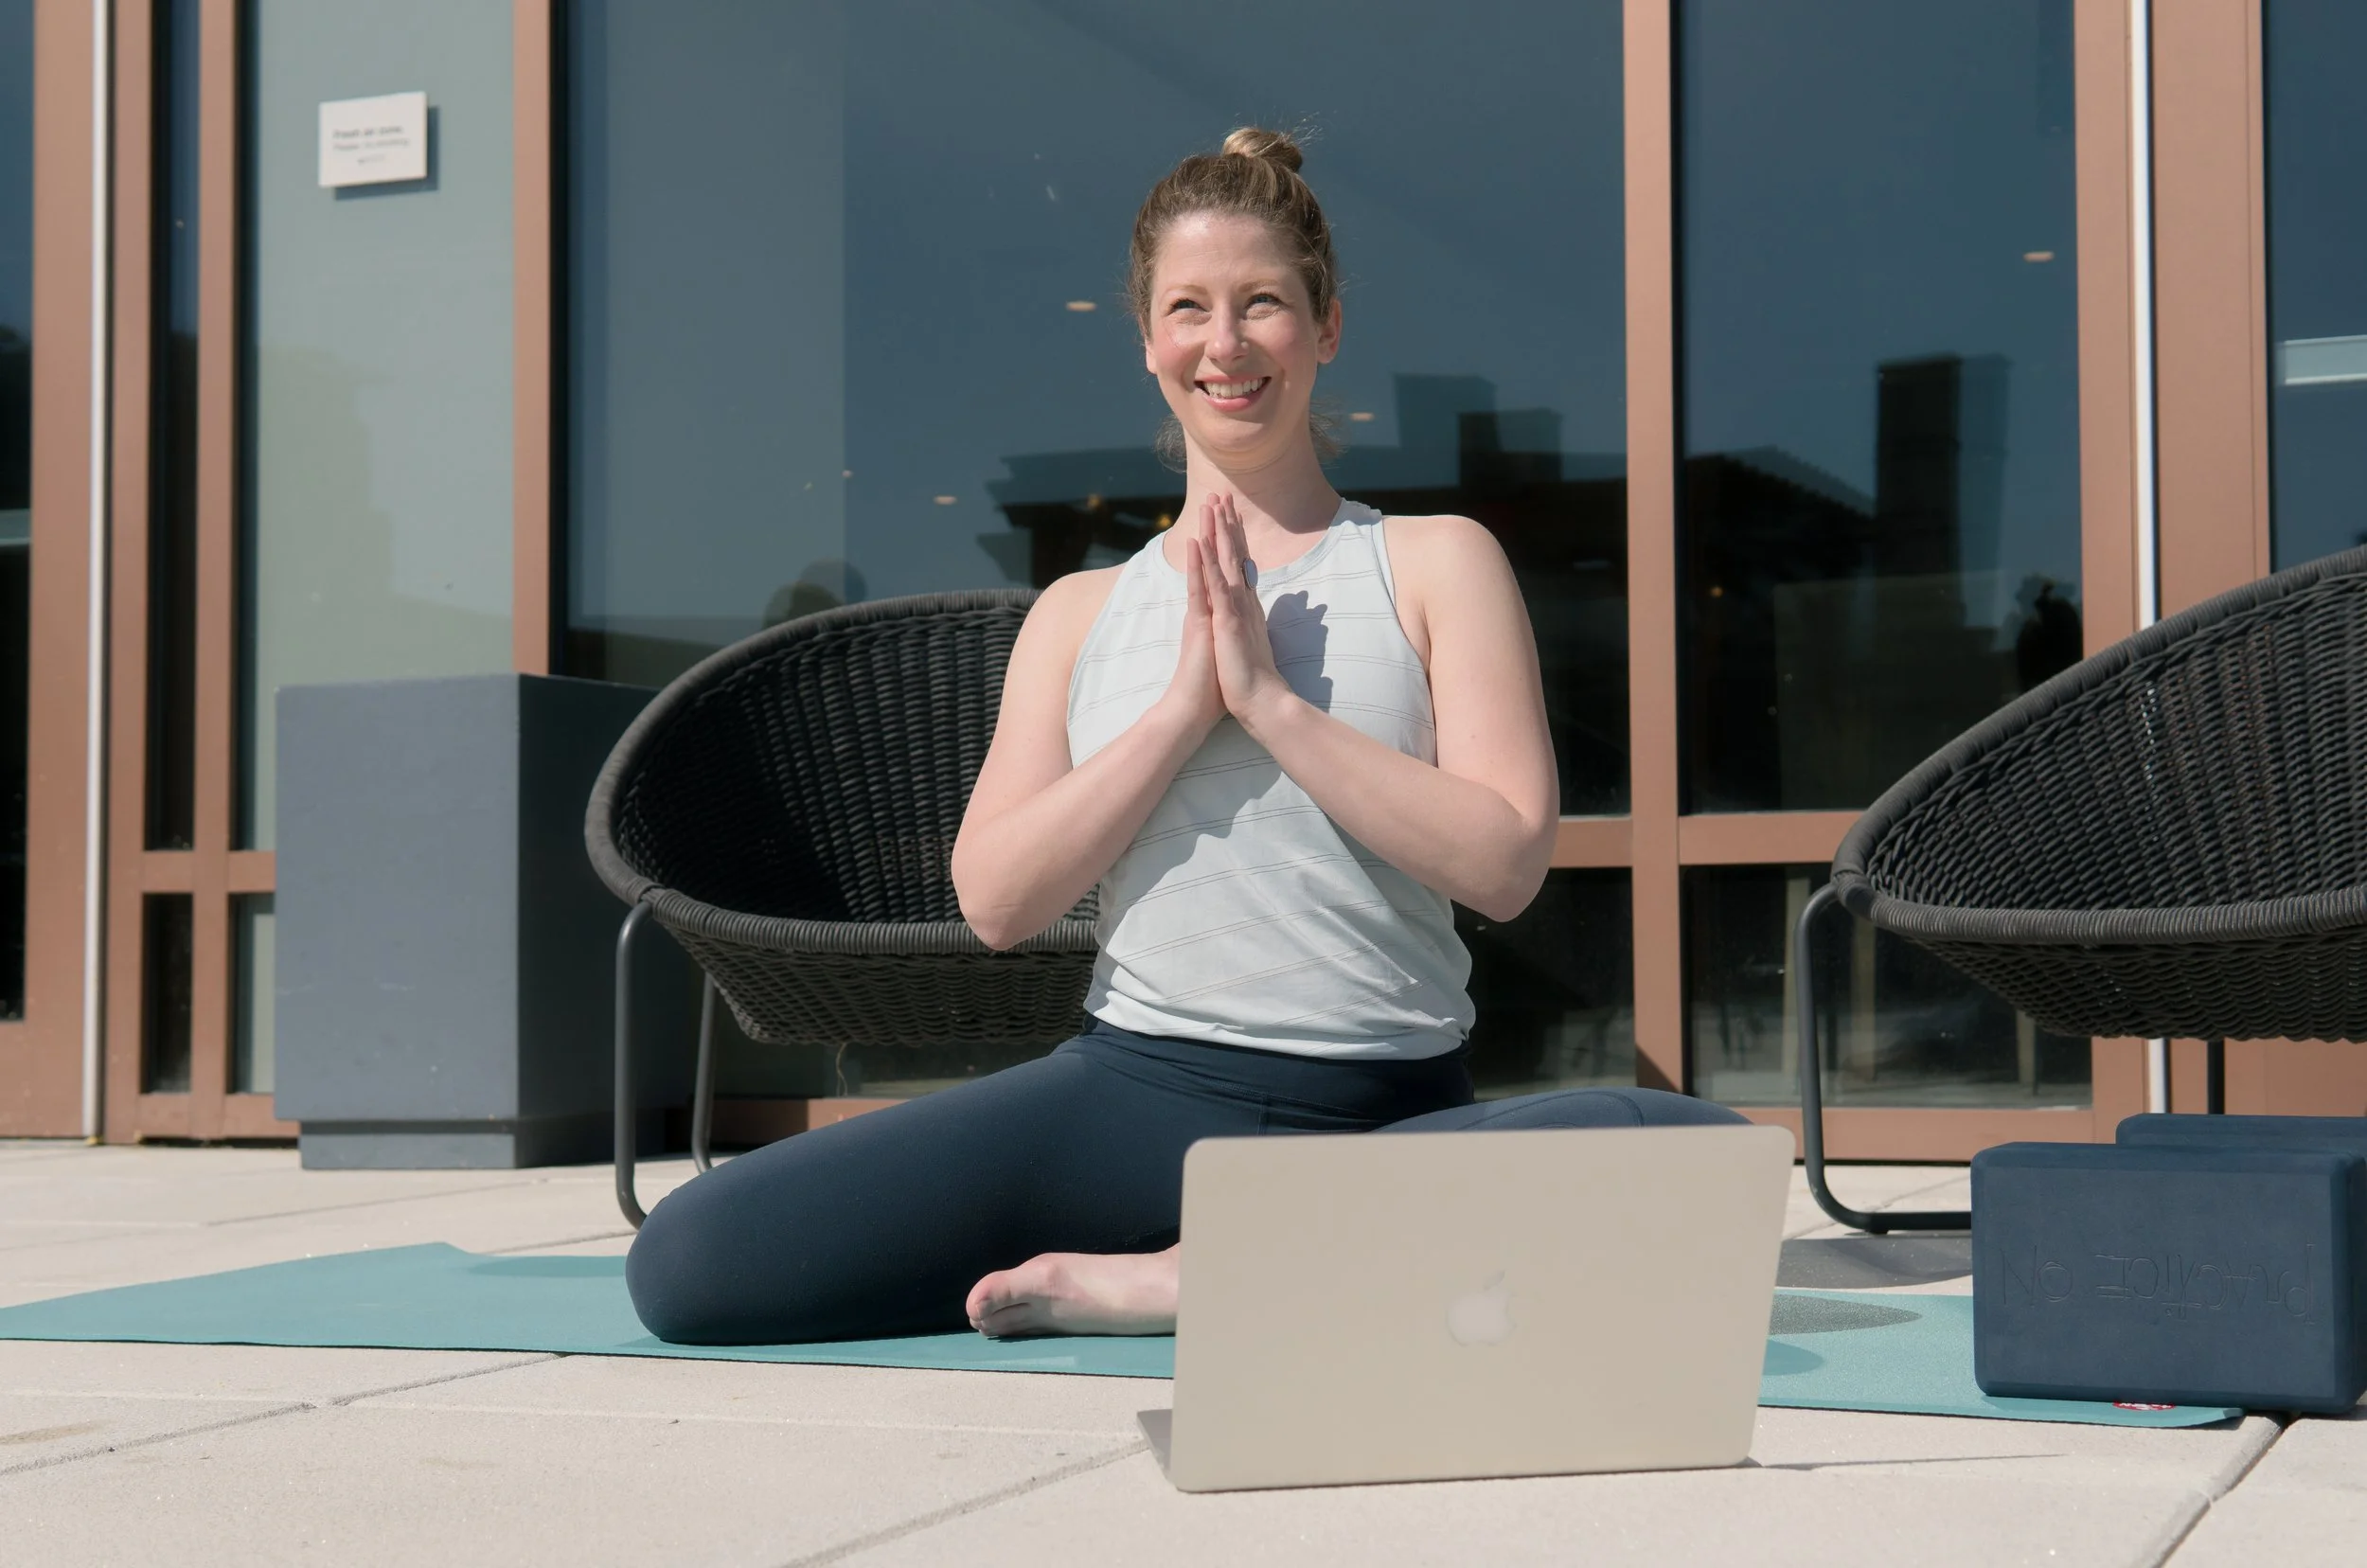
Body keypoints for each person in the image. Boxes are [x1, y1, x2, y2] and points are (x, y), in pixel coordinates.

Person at [625, 127, 1741, 1346]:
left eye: (1263, 303)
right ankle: (1278, 1264)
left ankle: (1187, 1279)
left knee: (1701, 1163)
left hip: (1384, 1118)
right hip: (1135, 1099)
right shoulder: (1080, 612)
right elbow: (996, 899)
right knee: (691, 1264)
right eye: (1189, 308)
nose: (1226, 343)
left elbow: (1508, 861)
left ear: (1325, 325)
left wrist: (1272, 706)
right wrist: (1176, 716)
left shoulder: (1433, 563)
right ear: (1148, 339)